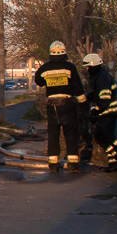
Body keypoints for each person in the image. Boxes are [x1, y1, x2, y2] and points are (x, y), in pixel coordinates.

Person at [34, 40, 87, 172]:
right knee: (70, 134)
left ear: (50, 53)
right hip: (68, 105)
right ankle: (73, 164)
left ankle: (53, 164)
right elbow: (78, 87)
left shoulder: (45, 68)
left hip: (52, 106)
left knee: (53, 134)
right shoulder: (70, 67)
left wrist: (49, 80)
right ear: (64, 53)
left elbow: (38, 80)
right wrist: (83, 104)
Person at [81, 53, 117, 171]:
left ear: (93, 66)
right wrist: (87, 97)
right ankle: (114, 163)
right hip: (106, 112)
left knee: (105, 137)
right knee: (103, 137)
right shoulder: (98, 76)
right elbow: (95, 93)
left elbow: (104, 97)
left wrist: (96, 111)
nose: (86, 69)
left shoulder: (102, 77)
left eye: (88, 67)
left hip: (108, 112)